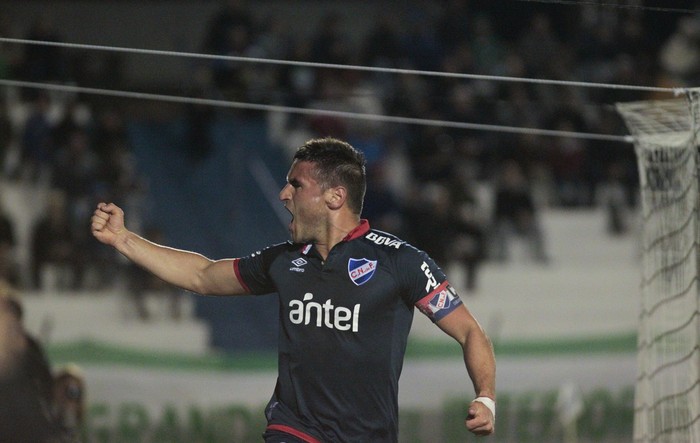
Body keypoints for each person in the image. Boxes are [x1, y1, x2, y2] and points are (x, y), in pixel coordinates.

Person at [91, 137, 496, 442]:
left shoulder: (402, 262)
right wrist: (124, 239)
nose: (284, 194)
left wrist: (485, 397)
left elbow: (470, 332)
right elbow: (202, 275)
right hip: (294, 428)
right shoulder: (284, 261)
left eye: (296, 185)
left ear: (335, 196)